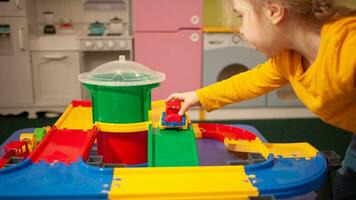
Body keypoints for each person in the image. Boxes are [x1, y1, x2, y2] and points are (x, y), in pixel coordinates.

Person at [166, 0, 356, 199]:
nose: (241, 29)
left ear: (274, 12)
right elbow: (250, 81)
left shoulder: (348, 46)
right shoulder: (288, 59)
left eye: (242, 16)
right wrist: (199, 96)